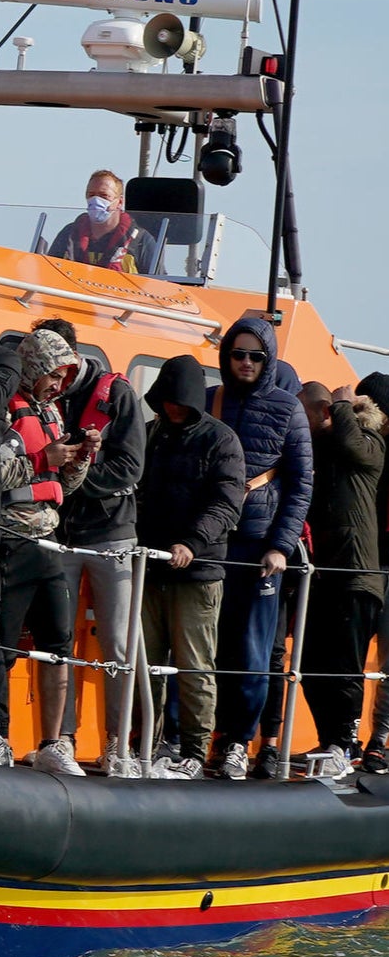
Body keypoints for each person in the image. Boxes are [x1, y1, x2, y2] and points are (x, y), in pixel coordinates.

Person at [31, 317, 145, 774]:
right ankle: (62, 739)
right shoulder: (44, 399)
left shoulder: (117, 395)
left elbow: (130, 467)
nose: (55, 375)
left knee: (117, 643)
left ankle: (119, 744)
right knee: (57, 639)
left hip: (112, 532)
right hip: (61, 535)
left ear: (73, 356)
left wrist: (71, 481)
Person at [0, 328, 89, 770]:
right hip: (12, 540)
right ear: (36, 368)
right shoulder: (4, 408)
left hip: (50, 543)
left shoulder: (54, 415)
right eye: (54, 374)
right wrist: (45, 460)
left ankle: (53, 744)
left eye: (65, 376)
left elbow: (64, 486)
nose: (59, 384)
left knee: (57, 643)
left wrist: (78, 462)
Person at [207, 312, 313, 778]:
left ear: (267, 359)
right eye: (238, 354)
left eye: (255, 355)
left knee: (252, 651)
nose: (245, 362)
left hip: (258, 545)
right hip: (210, 541)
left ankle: (237, 742)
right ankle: (188, 739)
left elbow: (300, 483)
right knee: (201, 645)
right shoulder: (211, 400)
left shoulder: (288, 409)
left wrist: (281, 546)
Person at [138, 354, 249, 777]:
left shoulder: (222, 441)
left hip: (198, 573)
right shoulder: (150, 435)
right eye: (165, 400)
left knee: (194, 666)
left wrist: (191, 544)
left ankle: (194, 751)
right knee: (146, 664)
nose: (171, 408)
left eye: (178, 401)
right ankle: (146, 742)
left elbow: (226, 503)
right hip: (151, 567)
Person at [297, 381, 383, 779]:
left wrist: (344, 405)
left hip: (356, 574)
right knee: (312, 662)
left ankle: (345, 742)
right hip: (324, 574)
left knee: (345, 666)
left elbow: (353, 445)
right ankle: (329, 738)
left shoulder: (369, 444)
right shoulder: (324, 448)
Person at [46, 170, 156, 272]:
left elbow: (160, 283)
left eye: (104, 196)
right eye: (91, 195)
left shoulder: (142, 240)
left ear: (120, 202)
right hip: (72, 292)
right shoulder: (69, 233)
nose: (96, 200)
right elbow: (48, 272)